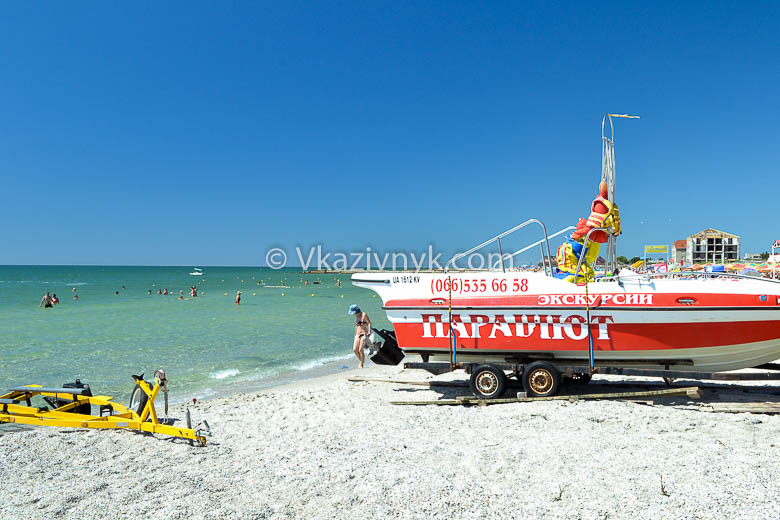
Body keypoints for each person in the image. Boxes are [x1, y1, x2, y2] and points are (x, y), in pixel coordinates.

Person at [349, 304, 371, 368]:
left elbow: (369, 323)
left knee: (360, 349)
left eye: (353, 312)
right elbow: (357, 326)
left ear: (356, 311)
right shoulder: (356, 316)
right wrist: (355, 334)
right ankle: (362, 361)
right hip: (357, 334)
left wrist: (369, 331)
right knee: (355, 350)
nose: (353, 314)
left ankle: (361, 364)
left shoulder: (364, 315)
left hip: (364, 334)